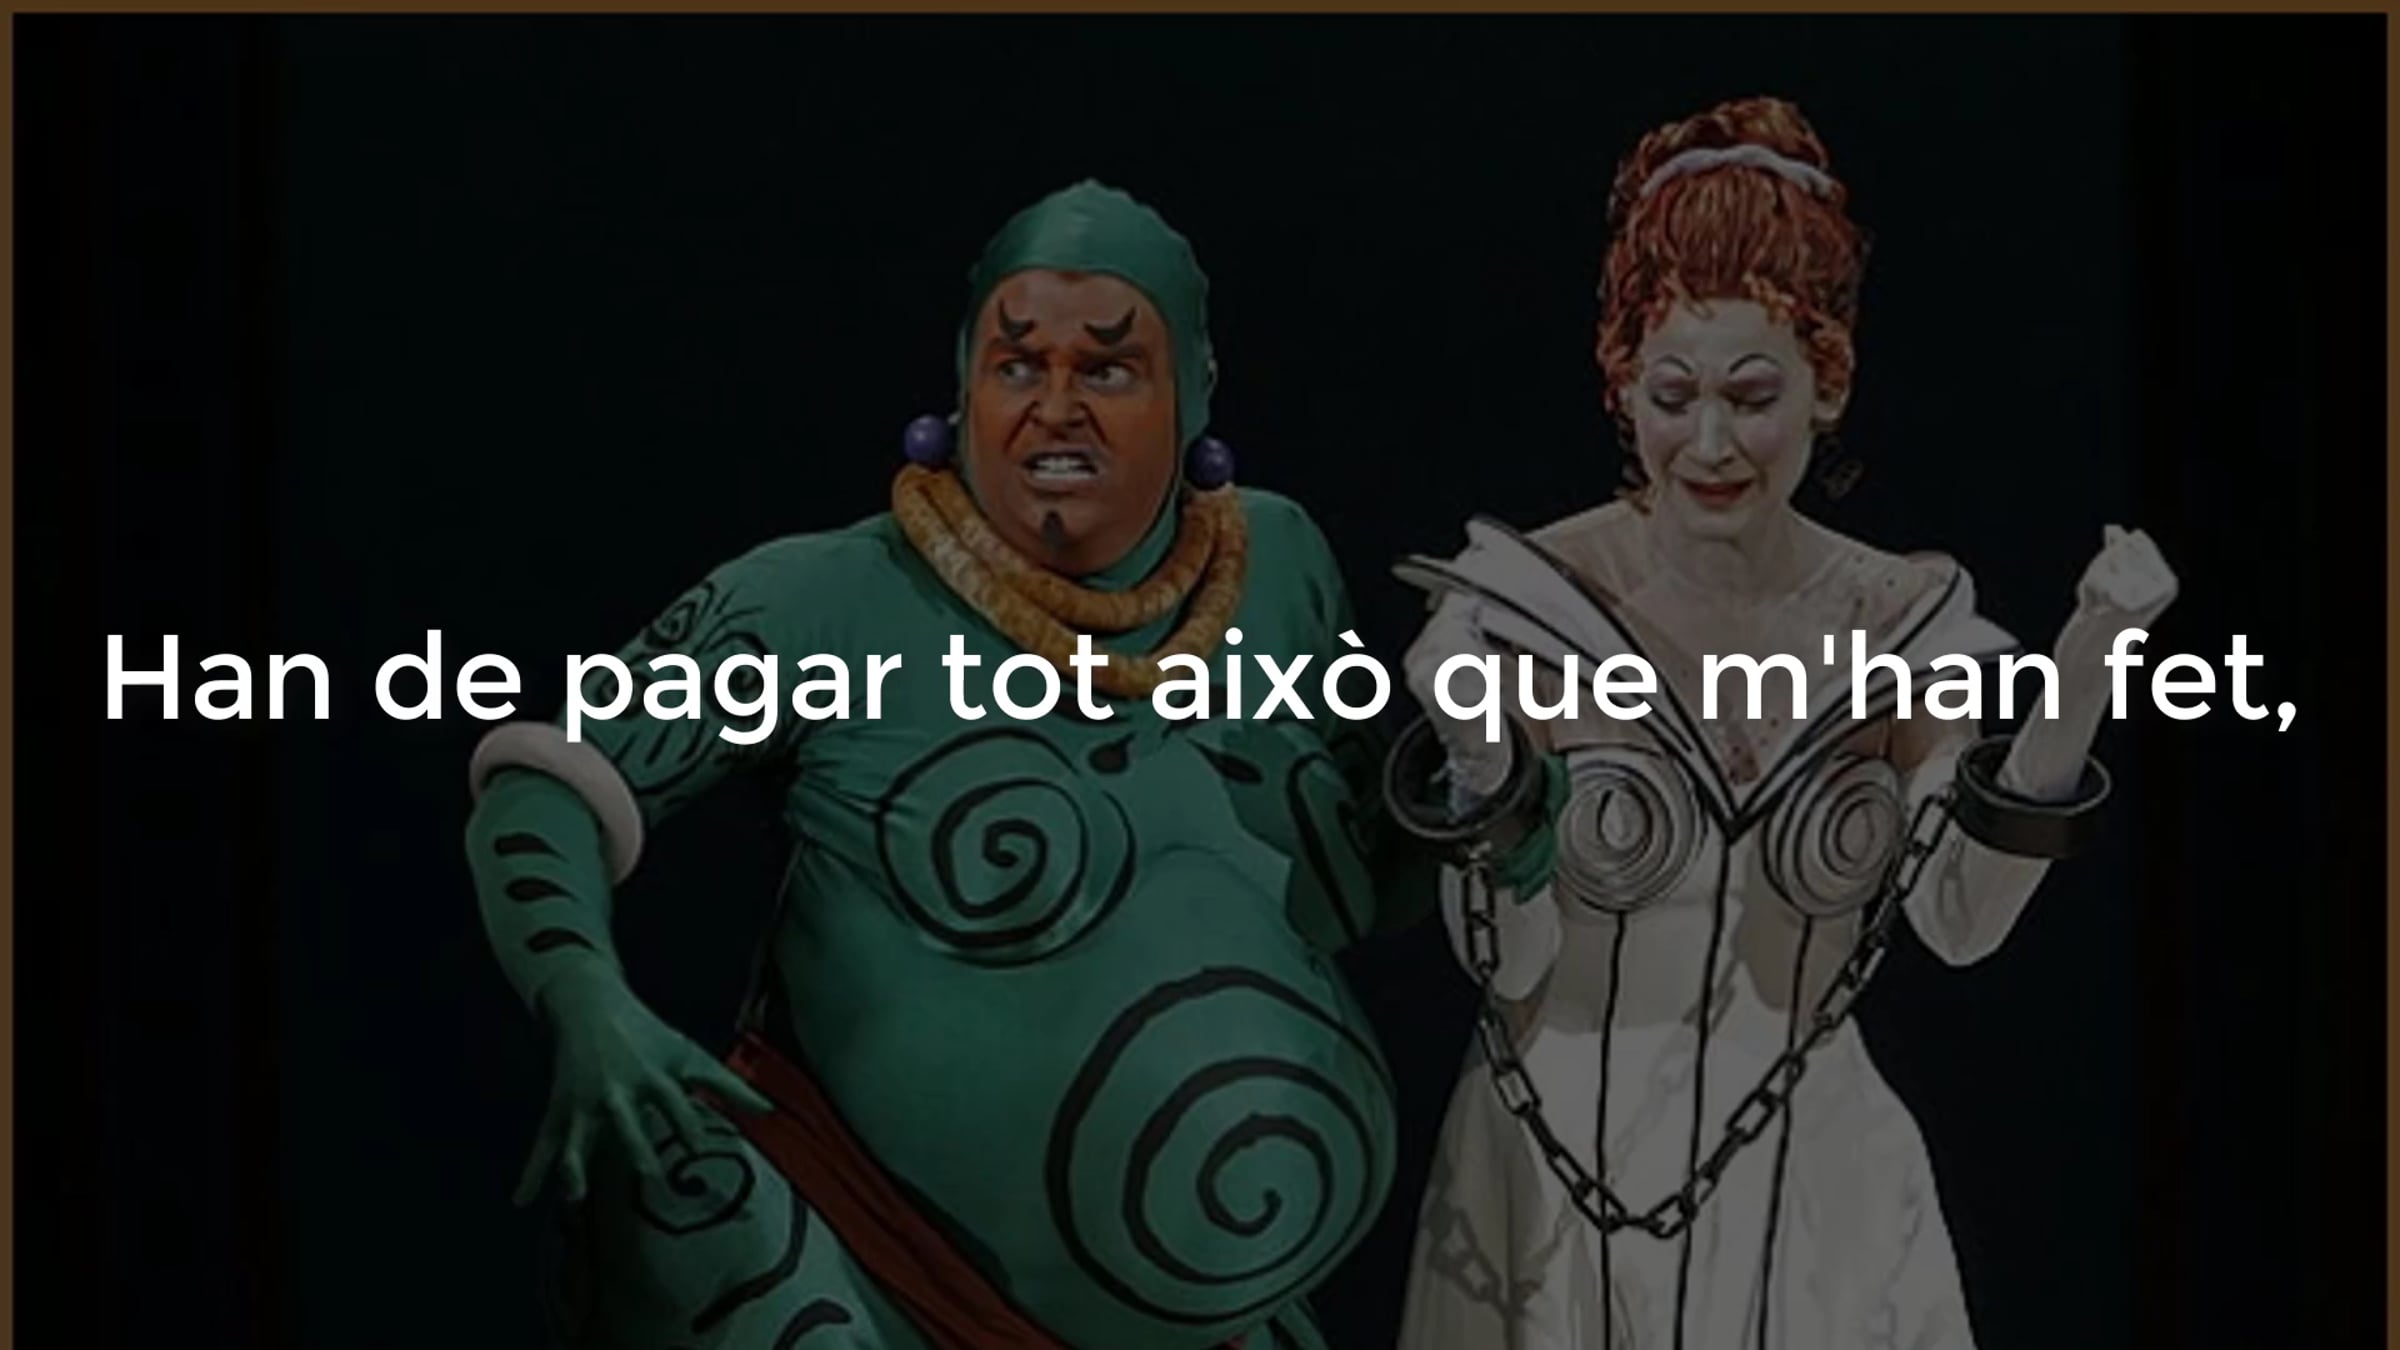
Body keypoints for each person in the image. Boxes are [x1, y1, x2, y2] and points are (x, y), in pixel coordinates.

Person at [462, 181, 1431, 1350]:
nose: (1056, 408)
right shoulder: (828, 601)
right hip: (850, 1273)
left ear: (1196, 389)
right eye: (1018, 365)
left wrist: (1483, 801)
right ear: (964, 379)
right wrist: (588, 997)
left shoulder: (1277, 566)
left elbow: (1356, 883)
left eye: (1109, 369)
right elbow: (549, 785)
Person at [1385, 97, 2177, 1349]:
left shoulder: (1898, 620)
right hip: (1552, 1189)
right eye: (1673, 394)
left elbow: (1960, 920)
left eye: (1752, 395)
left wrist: (2088, 662)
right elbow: (1511, 960)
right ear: (1623, 386)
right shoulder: (1532, 607)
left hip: (1817, 1193)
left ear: (1826, 385)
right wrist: (1483, 756)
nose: (1709, 443)